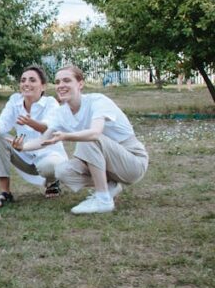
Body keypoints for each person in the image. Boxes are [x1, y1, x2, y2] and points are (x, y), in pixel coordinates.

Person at [13, 65, 148, 215]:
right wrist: (23, 147)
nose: (61, 86)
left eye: (66, 81)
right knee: (62, 171)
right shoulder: (61, 112)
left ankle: (103, 199)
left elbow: (95, 133)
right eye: (57, 82)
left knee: (88, 139)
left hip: (133, 162)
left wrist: (66, 136)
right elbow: (44, 139)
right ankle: (110, 185)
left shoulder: (97, 101)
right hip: (109, 164)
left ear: (80, 84)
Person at [0, 65, 68, 207]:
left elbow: (48, 128)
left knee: (50, 166)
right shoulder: (15, 101)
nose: (26, 83)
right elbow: (3, 122)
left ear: (43, 86)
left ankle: (52, 182)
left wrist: (32, 123)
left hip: (48, 158)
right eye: (23, 80)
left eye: (32, 80)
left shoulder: (51, 103)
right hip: (25, 156)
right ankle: (5, 192)